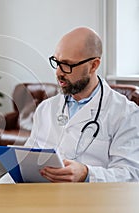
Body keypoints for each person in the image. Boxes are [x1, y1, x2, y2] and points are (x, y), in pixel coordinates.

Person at [23, 26, 139, 182]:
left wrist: (87, 174)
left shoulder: (126, 113)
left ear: (93, 65)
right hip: (44, 198)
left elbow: (131, 176)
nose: (58, 72)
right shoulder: (46, 108)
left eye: (67, 65)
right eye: (56, 62)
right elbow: (24, 161)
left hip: (91, 202)